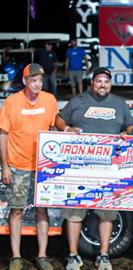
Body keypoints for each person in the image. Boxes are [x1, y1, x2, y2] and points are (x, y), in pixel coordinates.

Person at [55, 67, 133, 270]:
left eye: (106, 81)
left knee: (107, 213)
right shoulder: (78, 101)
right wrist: (66, 129)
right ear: (93, 83)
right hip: (79, 168)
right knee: (74, 212)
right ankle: (73, 256)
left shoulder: (119, 103)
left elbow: (130, 125)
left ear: (110, 84)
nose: (103, 85)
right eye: (99, 81)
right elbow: (59, 119)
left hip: (109, 170)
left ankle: (104, 255)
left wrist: (127, 133)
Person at [0, 63, 58, 270]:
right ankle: (16, 257)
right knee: (16, 211)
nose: (37, 84)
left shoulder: (50, 100)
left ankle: (42, 256)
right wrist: (5, 167)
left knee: (43, 210)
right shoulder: (12, 102)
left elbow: (53, 129)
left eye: (40, 80)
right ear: (25, 81)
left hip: (43, 168)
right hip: (18, 166)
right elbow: (3, 135)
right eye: (33, 80)